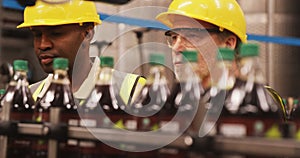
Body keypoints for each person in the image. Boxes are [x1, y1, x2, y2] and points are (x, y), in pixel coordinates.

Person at [17, 0, 145, 103]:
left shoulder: (134, 91)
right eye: (37, 35)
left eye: (56, 34)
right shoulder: (29, 97)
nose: (43, 45)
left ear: (88, 33)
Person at [156, 0, 247, 89]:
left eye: (191, 36)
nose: (176, 48)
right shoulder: (179, 101)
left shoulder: (254, 100)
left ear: (228, 45)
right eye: (174, 37)